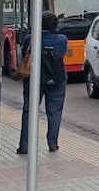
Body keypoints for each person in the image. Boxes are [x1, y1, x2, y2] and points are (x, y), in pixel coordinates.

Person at [18, 12, 68, 154]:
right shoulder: (62, 39)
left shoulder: (30, 39)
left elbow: (25, 55)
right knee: (54, 112)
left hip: (34, 80)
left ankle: (24, 146)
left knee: (29, 111)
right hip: (57, 80)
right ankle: (52, 144)